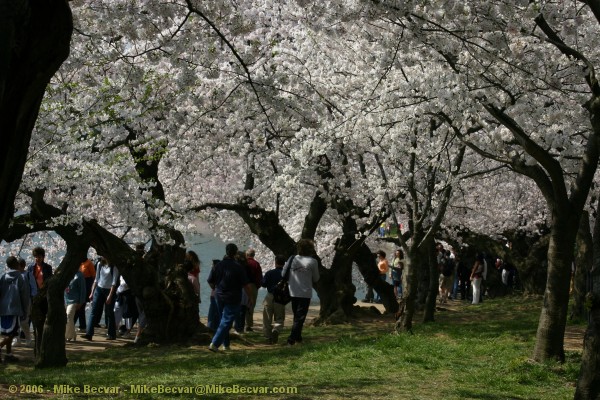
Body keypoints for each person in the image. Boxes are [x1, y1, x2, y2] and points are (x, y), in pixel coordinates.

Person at [207, 243, 253, 352]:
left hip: (219, 296)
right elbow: (246, 285)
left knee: (223, 320)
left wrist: (215, 288)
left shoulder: (218, 265)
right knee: (227, 320)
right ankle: (215, 343)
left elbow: (210, 280)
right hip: (233, 297)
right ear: (235, 252)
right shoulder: (238, 267)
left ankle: (226, 345)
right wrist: (250, 297)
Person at [283, 239, 320, 346]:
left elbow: (283, 274)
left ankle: (298, 338)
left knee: (297, 316)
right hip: (305, 293)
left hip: (293, 291)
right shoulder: (313, 261)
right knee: (300, 317)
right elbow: (316, 278)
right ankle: (291, 340)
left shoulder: (292, 259)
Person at [81, 256, 119, 341]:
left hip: (109, 290)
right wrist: (92, 292)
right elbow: (96, 279)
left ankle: (111, 334)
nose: (103, 257)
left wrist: (110, 296)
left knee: (109, 312)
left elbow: (114, 282)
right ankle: (89, 334)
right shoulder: (99, 264)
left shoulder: (114, 267)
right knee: (93, 311)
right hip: (99, 289)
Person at [0, 256, 30, 363]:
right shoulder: (21, 277)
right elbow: (24, 295)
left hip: (4, 308)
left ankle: (9, 354)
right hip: (15, 307)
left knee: (8, 333)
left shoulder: (3, 276)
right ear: (17, 264)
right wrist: (25, 310)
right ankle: (1, 346)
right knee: (13, 333)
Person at [261, 254, 286, 344]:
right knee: (279, 318)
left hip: (270, 296)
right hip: (280, 298)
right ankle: (276, 329)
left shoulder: (269, 273)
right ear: (284, 263)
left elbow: (263, 284)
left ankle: (268, 337)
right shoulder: (286, 274)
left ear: (275, 262)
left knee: (267, 318)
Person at [13, 257, 35, 347]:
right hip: (15, 301)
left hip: (26, 301)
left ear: (22, 266)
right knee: (15, 321)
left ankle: (28, 339)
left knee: (24, 322)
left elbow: (33, 288)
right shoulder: (14, 275)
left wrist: (32, 298)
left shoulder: (28, 275)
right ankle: (16, 339)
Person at [74, 256, 96, 331]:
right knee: (81, 307)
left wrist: (92, 289)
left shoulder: (89, 263)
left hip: (87, 284)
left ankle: (74, 324)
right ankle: (82, 325)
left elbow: (93, 276)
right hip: (79, 284)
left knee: (81, 305)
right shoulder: (79, 263)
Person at [64, 269, 86, 342]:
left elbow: (83, 290)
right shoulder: (66, 274)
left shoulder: (79, 275)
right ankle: (73, 334)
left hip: (74, 300)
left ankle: (68, 336)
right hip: (65, 299)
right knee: (66, 318)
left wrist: (81, 302)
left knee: (69, 316)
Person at [244, 248, 263, 333]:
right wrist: (257, 286)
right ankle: (248, 325)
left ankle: (241, 323)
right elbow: (259, 277)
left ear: (246, 255)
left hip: (243, 285)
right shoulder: (256, 264)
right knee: (251, 305)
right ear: (253, 255)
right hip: (253, 285)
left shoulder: (243, 263)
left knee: (242, 304)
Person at [206, 259, 221, 332]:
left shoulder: (214, 270)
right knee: (218, 312)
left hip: (214, 294)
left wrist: (213, 287)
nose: (211, 265)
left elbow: (209, 280)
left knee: (212, 313)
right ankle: (217, 328)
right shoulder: (222, 271)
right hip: (222, 294)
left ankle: (210, 328)